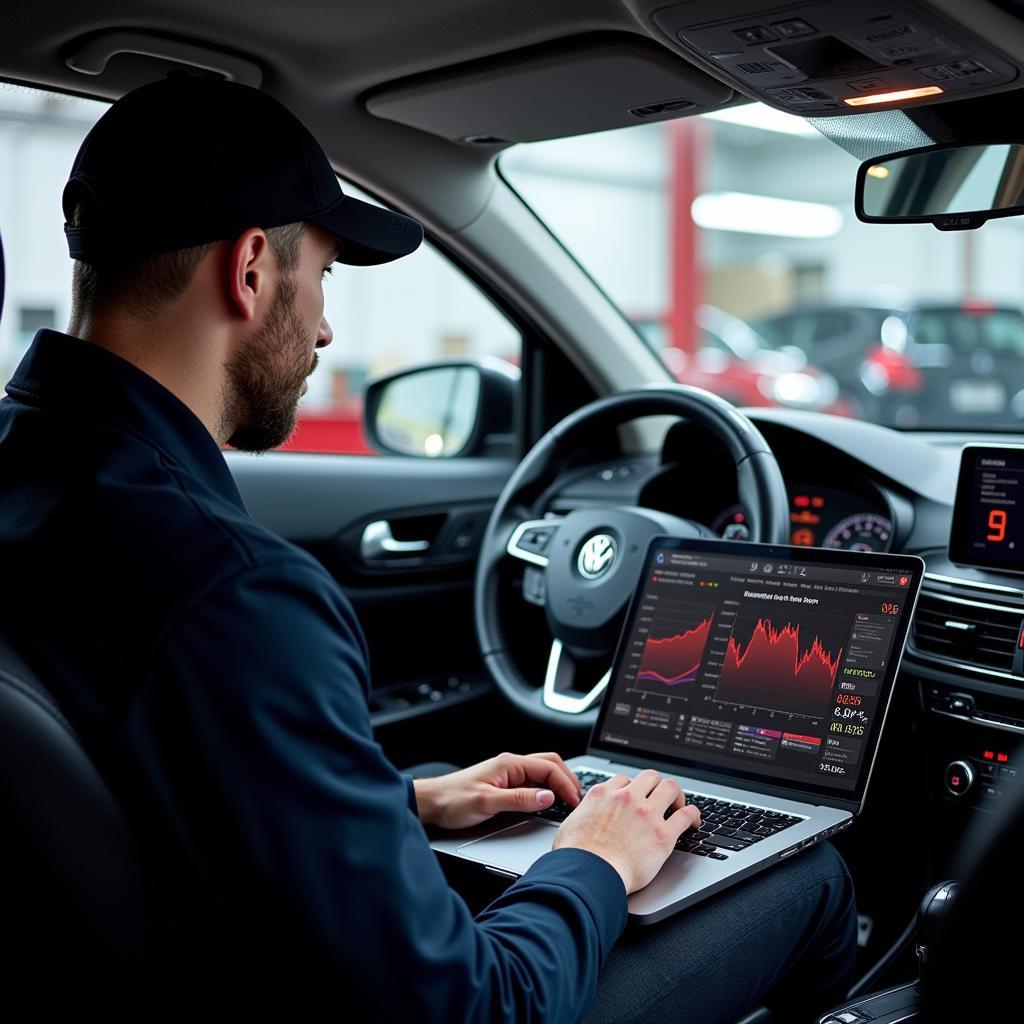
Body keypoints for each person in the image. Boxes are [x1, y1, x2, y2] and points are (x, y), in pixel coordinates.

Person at [0, 75, 857, 1023]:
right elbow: (475, 1010)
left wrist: (401, 804)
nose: (325, 325)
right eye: (322, 274)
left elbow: (163, 792)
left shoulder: (35, 483)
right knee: (813, 878)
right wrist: (597, 861)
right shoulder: (235, 593)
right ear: (249, 271)